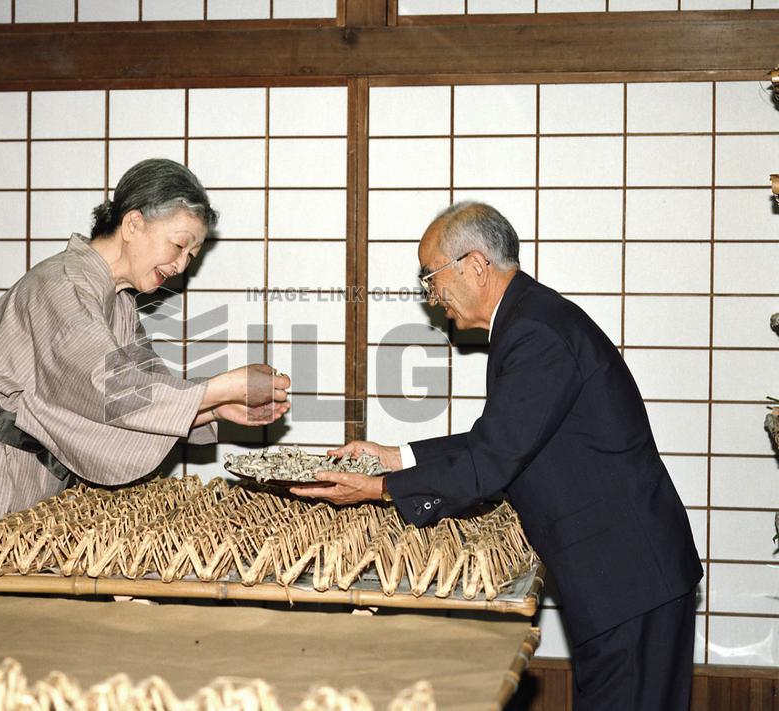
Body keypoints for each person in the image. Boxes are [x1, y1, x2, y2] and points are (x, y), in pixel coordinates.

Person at [293, 202, 702, 711]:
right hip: (623, 576)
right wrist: (393, 456)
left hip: (628, 577)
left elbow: (491, 462)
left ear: (476, 265)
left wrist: (378, 489)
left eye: (431, 277)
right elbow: (498, 441)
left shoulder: (536, 334)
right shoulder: (530, 320)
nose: (431, 295)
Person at [0, 159, 291, 588]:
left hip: (37, 484)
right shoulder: (62, 284)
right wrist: (221, 387)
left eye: (192, 254)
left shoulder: (119, 303)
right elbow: (110, 388)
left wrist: (217, 410)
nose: (183, 265)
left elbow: (146, 388)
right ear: (133, 223)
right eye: (179, 245)